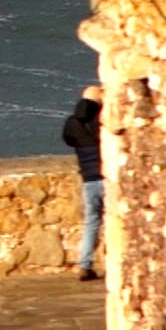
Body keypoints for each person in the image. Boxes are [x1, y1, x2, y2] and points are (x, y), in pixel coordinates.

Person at [62, 84, 105, 282]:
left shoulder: (72, 124)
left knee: (92, 223)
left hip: (89, 181)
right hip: (107, 179)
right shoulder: (103, 120)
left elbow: (68, 139)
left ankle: (85, 264)